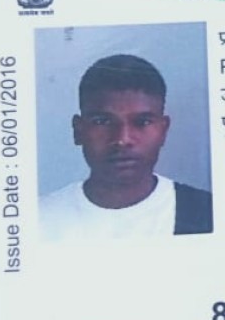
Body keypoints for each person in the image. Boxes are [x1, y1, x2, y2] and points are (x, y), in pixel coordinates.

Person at [40, 54, 213, 239]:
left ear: (163, 130)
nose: (122, 139)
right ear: (78, 130)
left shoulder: (206, 213)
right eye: (103, 121)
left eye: (142, 122)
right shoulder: (39, 218)